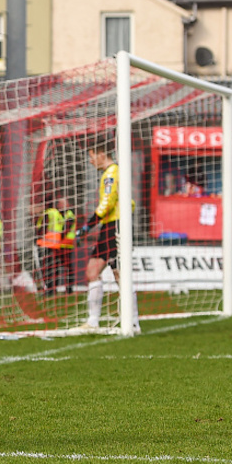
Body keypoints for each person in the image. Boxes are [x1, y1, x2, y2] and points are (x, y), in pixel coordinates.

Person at [76, 139, 140, 333]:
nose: (90, 161)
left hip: (116, 227)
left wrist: (87, 226)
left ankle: (134, 323)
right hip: (109, 227)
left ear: (101, 153)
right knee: (92, 271)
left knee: (120, 274)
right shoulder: (111, 173)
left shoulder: (111, 174)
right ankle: (93, 322)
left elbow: (107, 204)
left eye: (91, 156)